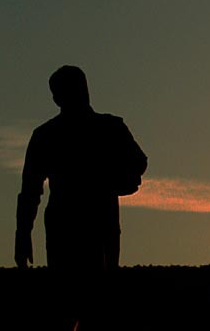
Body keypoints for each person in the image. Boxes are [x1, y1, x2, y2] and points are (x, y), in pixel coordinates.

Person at [15, 65, 147, 271]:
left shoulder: (108, 128)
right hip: (69, 224)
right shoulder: (48, 135)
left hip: (96, 221)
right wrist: (22, 235)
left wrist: (116, 183)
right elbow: (30, 191)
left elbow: (138, 163)